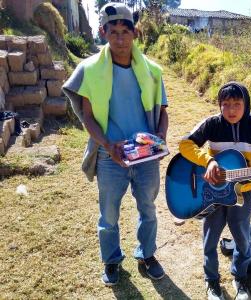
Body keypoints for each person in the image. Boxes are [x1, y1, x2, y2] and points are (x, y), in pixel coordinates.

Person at [62, 2, 168, 286]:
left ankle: (147, 255)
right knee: (109, 213)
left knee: (148, 209)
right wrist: (108, 146)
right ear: (103, 32)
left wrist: (160, 142)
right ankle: (111, 260)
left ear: (135, 33)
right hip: (111, 157)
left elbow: (163, 111)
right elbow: (87, 116)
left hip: (145, 157)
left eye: (126, 31)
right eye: (114, 32)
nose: (120, 38)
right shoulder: (90, 70)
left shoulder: (152, 71)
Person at [179, 82, 251, 300]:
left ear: (246, 104)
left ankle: (240, 277)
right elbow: (185, 144)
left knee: (243, 240)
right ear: (219, 105)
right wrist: (208, 161)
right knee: (209, 239)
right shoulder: (211, 124)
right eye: (225, 104)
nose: (231, 110)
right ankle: (212, 281)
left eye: (237, 104)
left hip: (242, 193)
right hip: (212, 195)